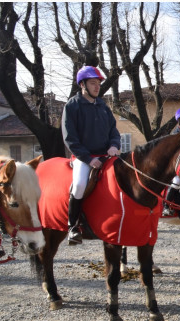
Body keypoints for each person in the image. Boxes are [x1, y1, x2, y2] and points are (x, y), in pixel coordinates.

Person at [62, 65, 121, 245]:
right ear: (83, 85)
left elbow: (114, 131)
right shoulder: (72, 106)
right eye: (93, 83)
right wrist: (89, 159)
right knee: (79, 185)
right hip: (84, 157)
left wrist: (114, 145)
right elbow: (69, 138)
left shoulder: (103, 105)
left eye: (99, 83)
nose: (97, 87)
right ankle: (73, 227)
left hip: (106, 155)